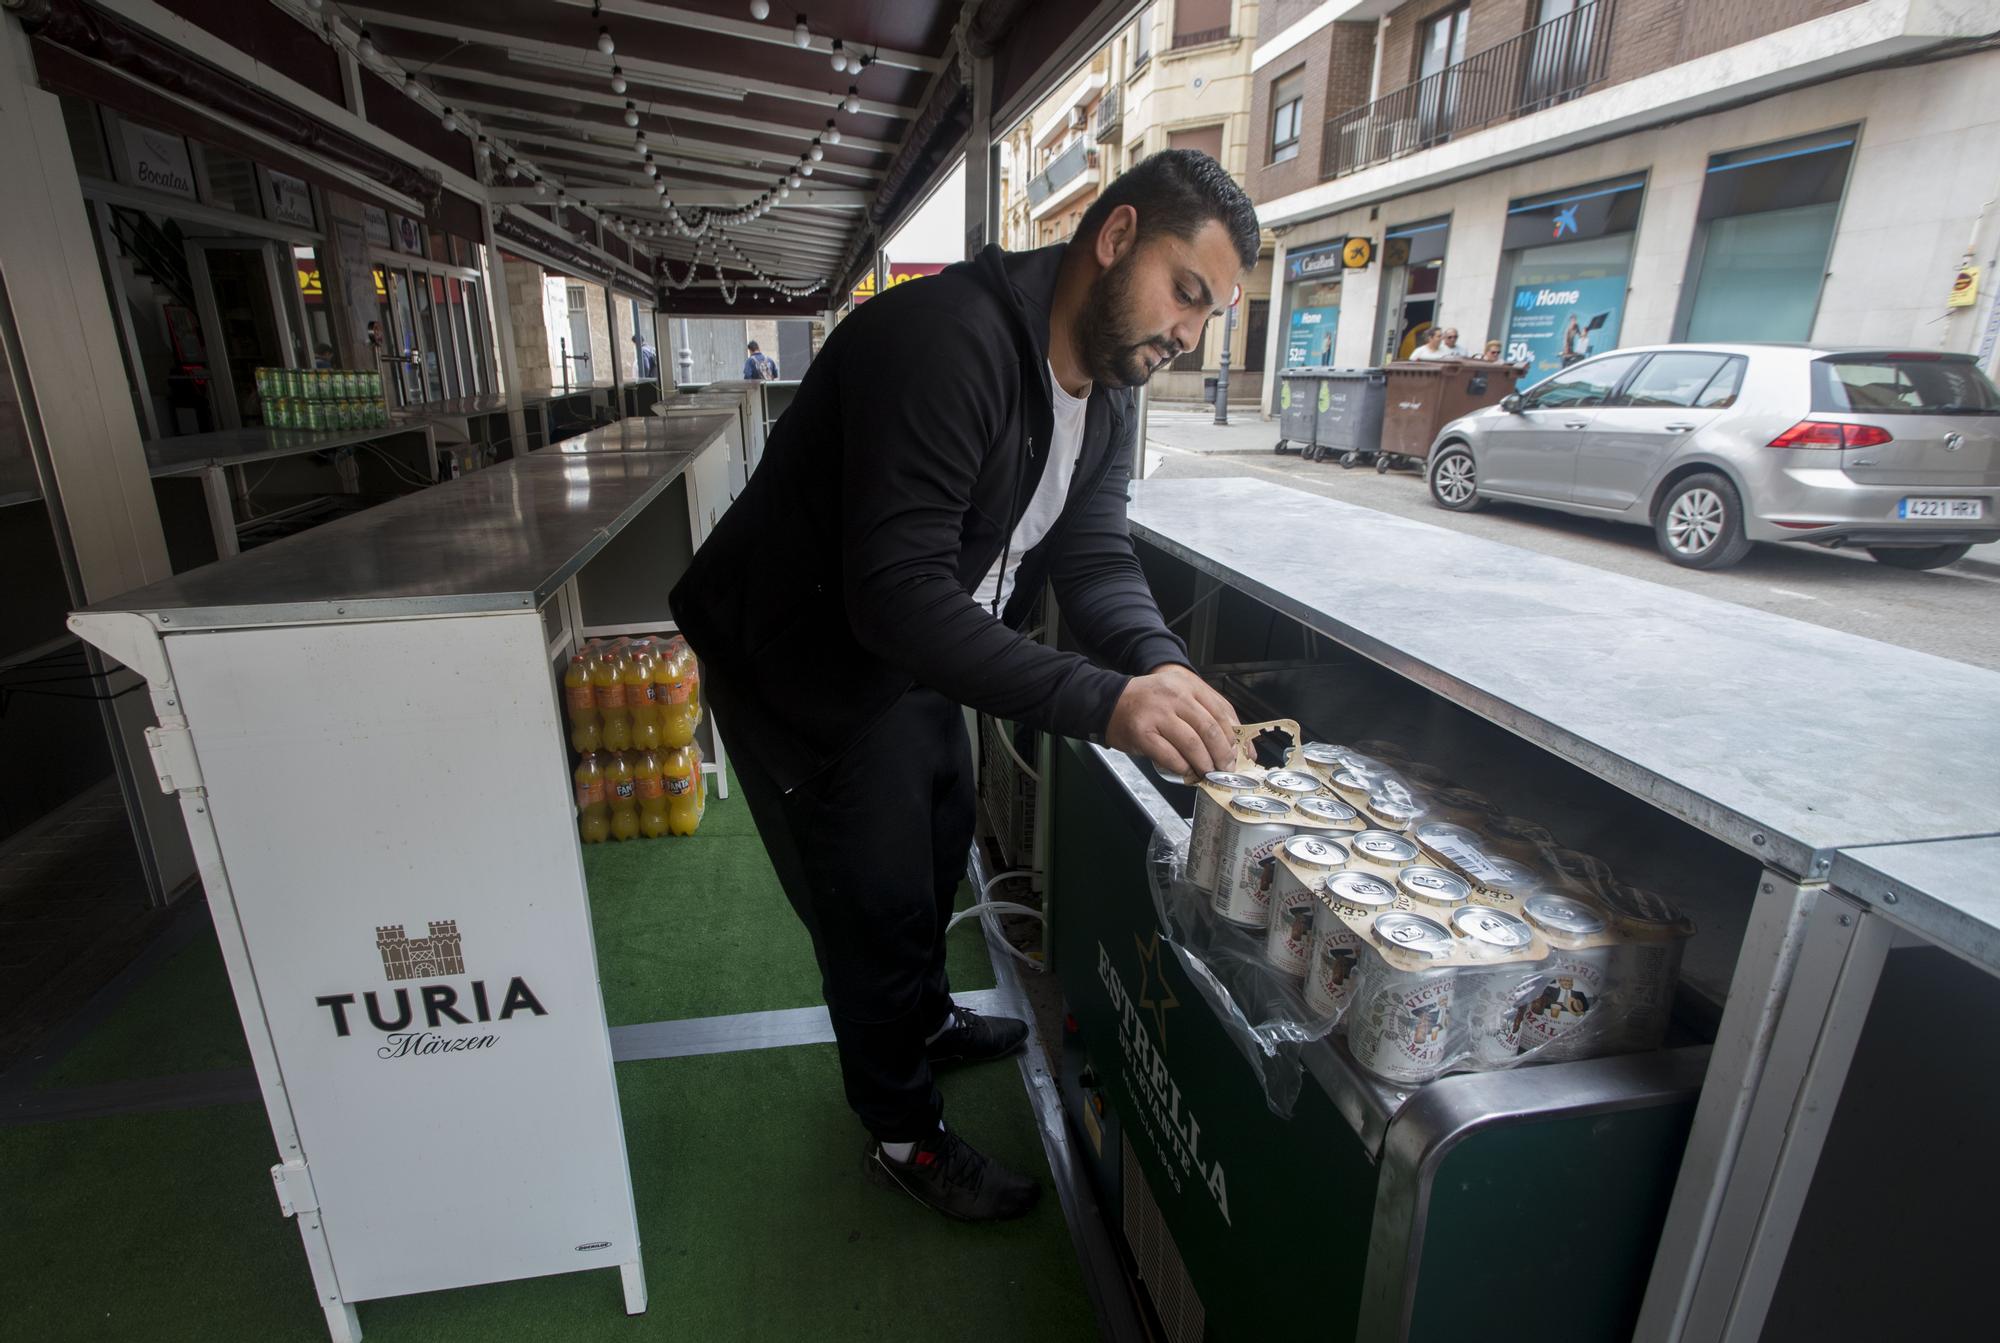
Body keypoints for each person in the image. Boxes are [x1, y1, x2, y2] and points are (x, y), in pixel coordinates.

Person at [669, 150, 1252, 1222]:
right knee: (875, 900)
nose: (1189, 335)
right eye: (1187, 291)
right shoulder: (947, 341)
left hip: (927, 646)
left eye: (1210, 316)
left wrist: (1157, 659)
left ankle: (929, 1018)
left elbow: (1091, 555)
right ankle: (901, 1131)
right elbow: (891, 596)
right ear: (1114, 236)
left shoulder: (1108, 392)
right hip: (806, 658)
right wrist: (1102, 699)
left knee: (942, 834)